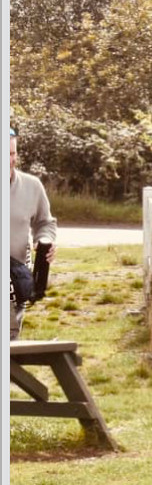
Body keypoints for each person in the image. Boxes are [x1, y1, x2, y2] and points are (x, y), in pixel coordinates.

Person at [10, 126, 58, 338]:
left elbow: (45, 223)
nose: (9, 160)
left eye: (12, 154)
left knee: (9, 343)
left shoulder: (32, 186)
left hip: (14, 283)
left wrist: (45, 240)